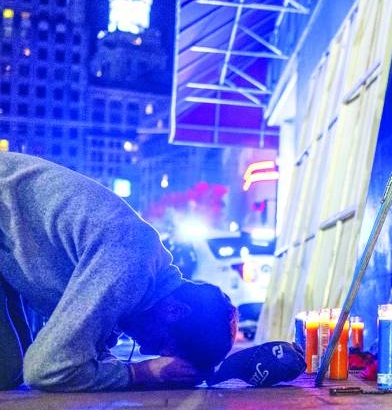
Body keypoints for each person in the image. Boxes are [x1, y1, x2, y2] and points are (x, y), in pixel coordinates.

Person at [0, 152, 238, 391]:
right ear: (175, 310)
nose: (145, 350)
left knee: (7, 371)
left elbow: (87, 352)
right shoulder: (131, 265)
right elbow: (46, 369)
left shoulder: (143, 276)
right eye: (161, 344)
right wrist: (141, 373)